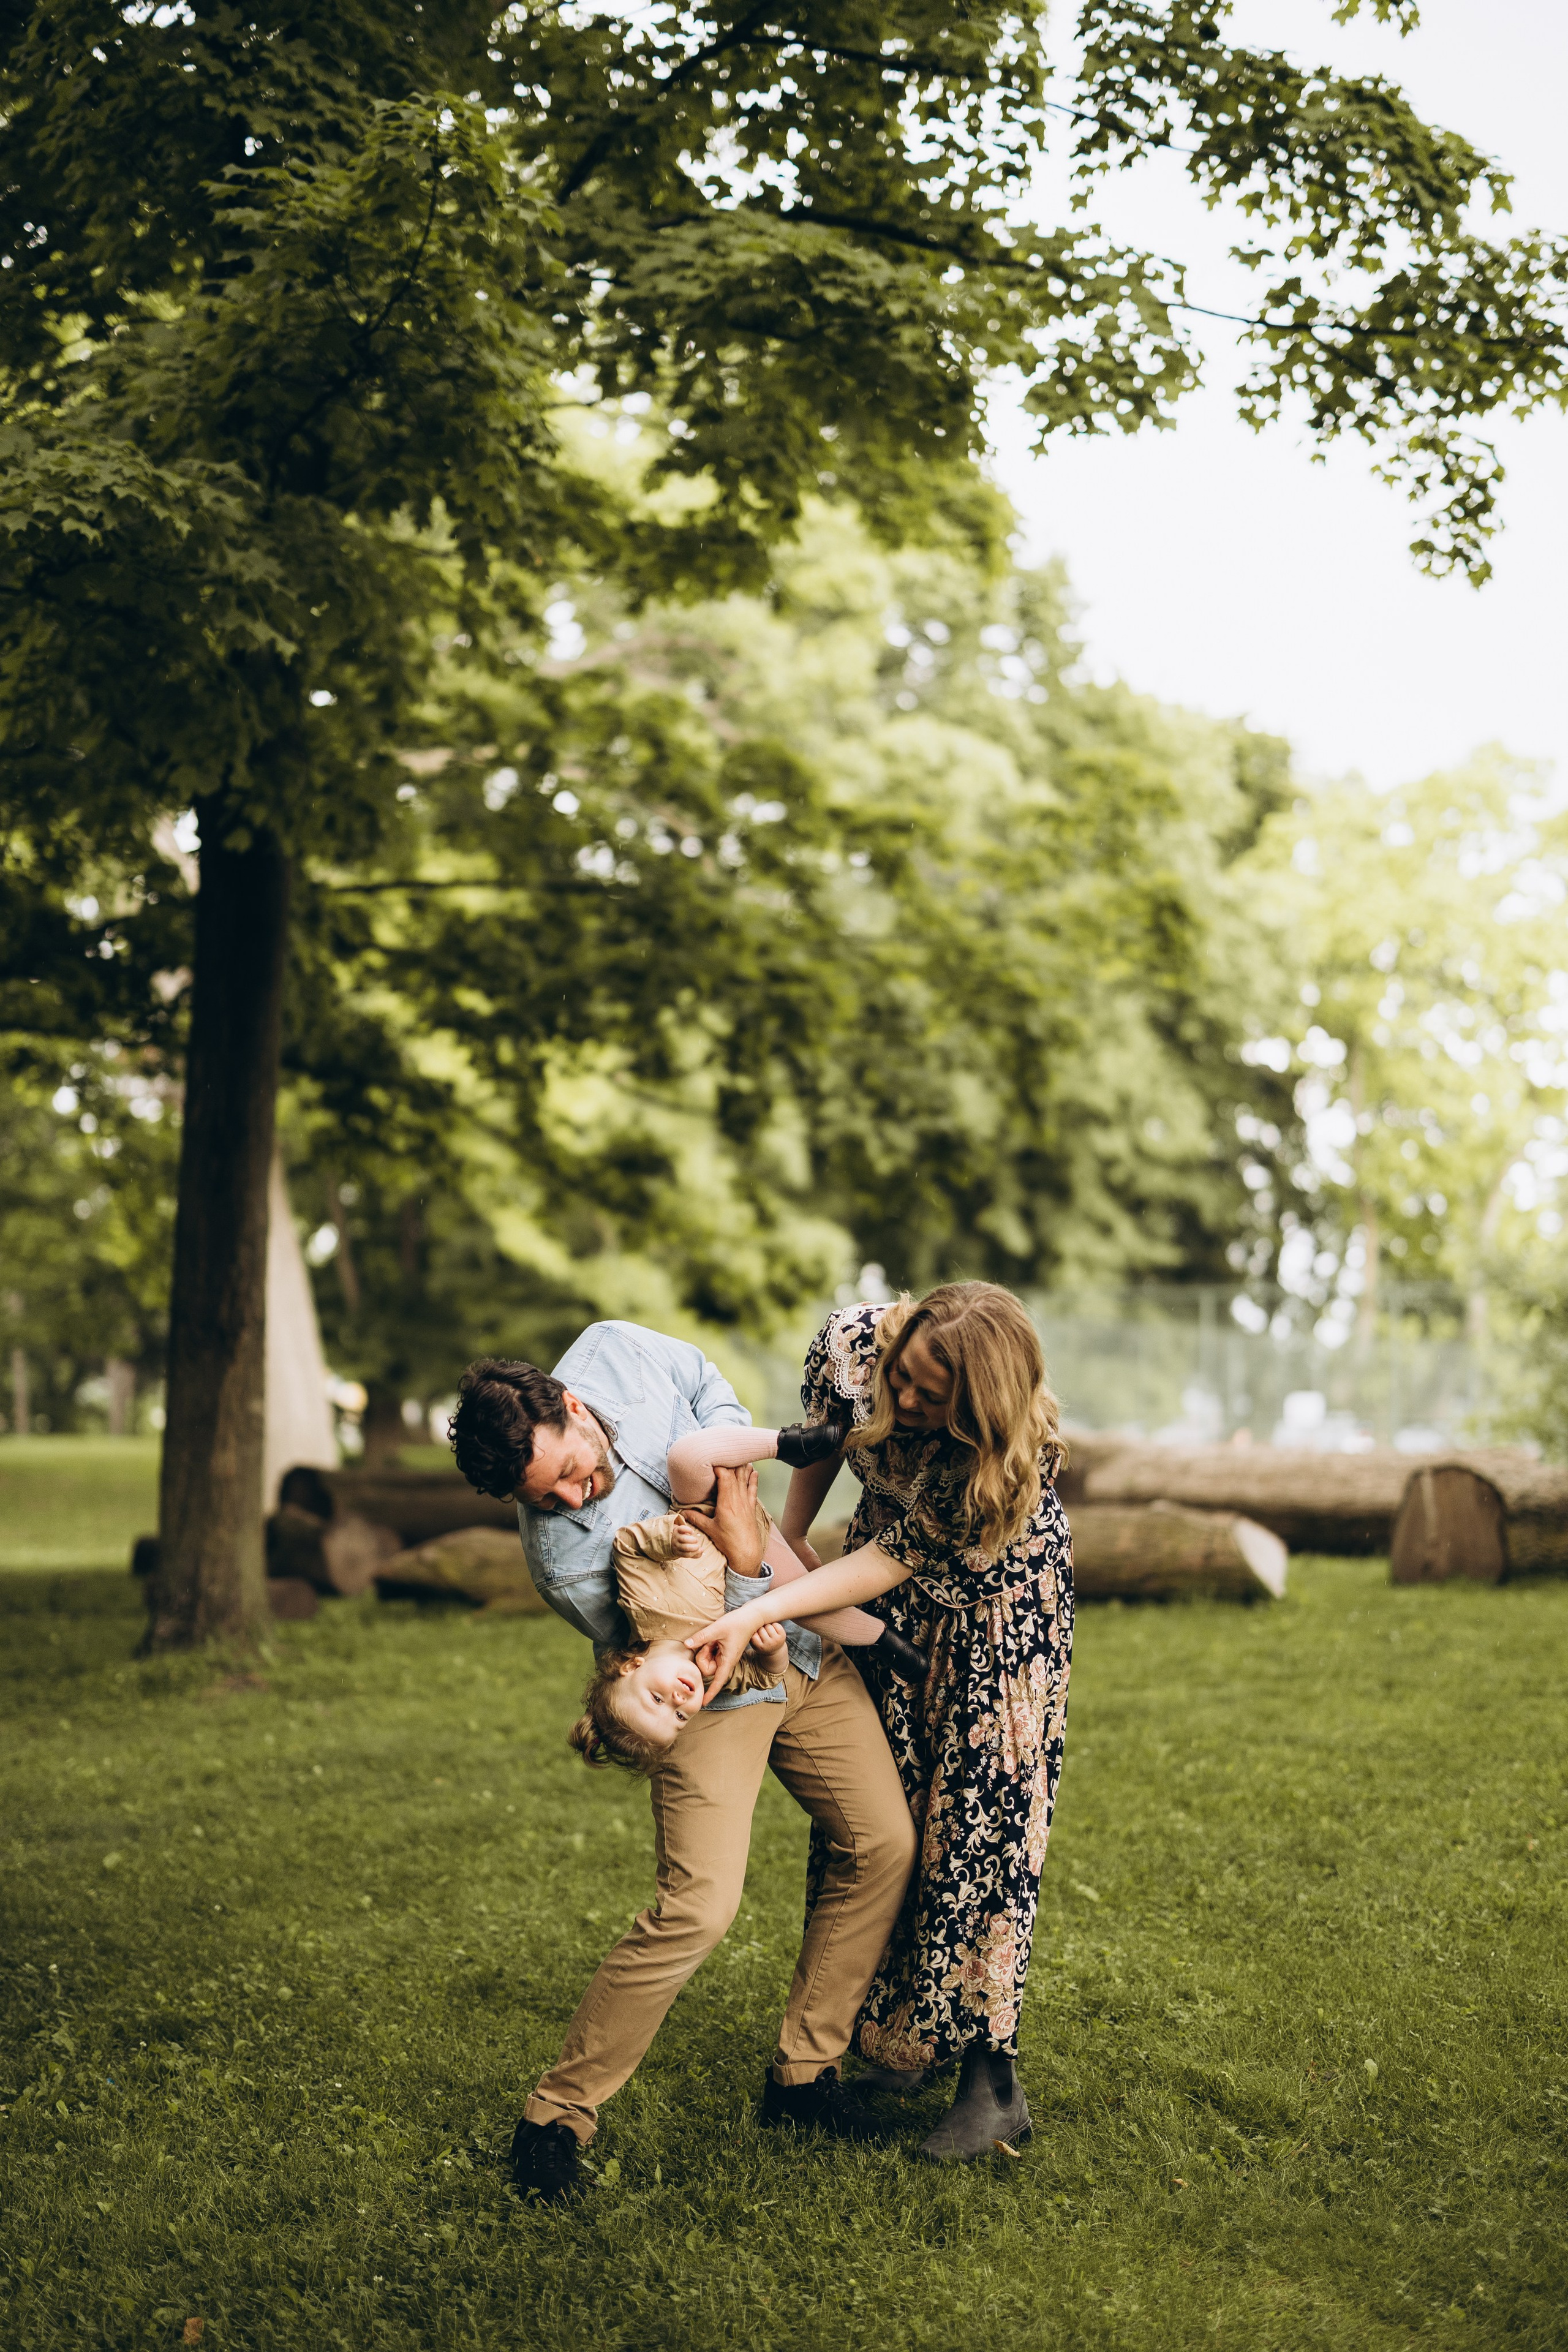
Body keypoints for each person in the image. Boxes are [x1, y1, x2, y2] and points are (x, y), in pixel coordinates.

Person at [448, 1324, 919, 2201]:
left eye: (574, 1474)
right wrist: (744, 1556)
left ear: (574, 1405)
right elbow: (681, 1657)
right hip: (709, 1692)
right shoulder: (565, 1562)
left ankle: (804, 2080)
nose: (573, 1499)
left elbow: (705, 1384)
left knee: (885, 1842)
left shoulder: (617, 1347)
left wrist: (735, 1482)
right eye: (544, 1499)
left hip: (808, 1650)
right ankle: (555, 2119)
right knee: (698, 1908)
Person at [688, 1282, 1073, 2166]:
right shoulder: (852, 1345)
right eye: (905, 1378)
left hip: (995, 1619)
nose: (905, 1402)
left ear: (980, 1408)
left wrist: (766, 1607)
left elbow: (885, 1564)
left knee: (979, 1834)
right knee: (887, 1811)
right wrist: (785, 1541)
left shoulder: (1012, 1457)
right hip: (866, 1587)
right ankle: (900, 2043)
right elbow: (824, 1436)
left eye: (933, 1401)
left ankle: (992, 2083)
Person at [569, 1431, 928, 1770]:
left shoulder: (645, 1609)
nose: (678, 1703)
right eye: (679, 1718)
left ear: (631, 1667)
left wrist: (669, 1540)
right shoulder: (715, 1677)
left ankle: (790, 1443)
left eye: (657, 1701)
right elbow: (761, 1675)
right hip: (759, 1550)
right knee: (807, 1604)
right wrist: (773, 1653)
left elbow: (627, 1548)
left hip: (704, 1508)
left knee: (686, 1459)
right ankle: (882, 1639)